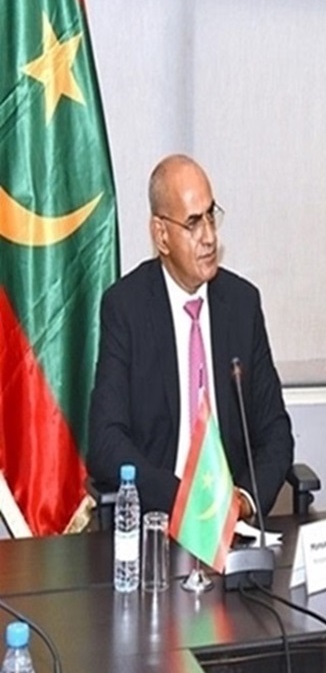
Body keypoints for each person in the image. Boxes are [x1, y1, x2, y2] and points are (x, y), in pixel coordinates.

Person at [87, 154, 293, 521]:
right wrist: (185, 501)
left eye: (211, 216)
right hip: (161, 521)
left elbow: (275, 432)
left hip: (232, 525)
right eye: (194, 223)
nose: (209, 236)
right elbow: (105, 443)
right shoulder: (126, 308)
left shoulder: (242, 305)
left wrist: (243, 500)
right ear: (161, 235)